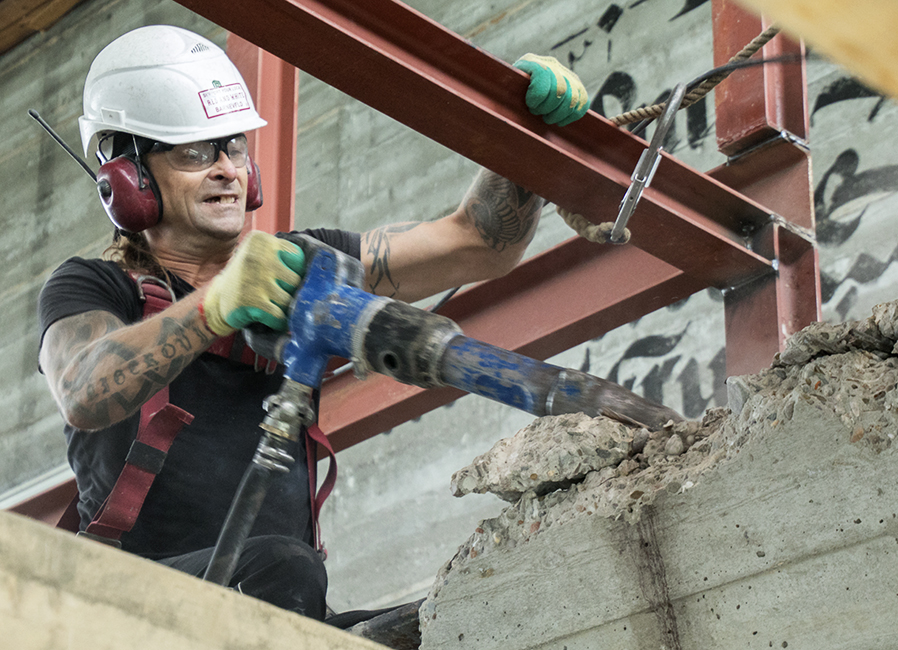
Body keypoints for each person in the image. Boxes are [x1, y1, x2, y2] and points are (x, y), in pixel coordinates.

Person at [37, 25, 589, 623]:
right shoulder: (92, 286)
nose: (225, 168)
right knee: (283, 564)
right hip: (128, 612)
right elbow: (84, 390)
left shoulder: (304, 264)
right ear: (127, 177)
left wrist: (527, 137)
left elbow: (480, 243)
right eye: (195, 152)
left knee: (460, 620)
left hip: (276, 607)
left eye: (234, 146)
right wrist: (212, 307)